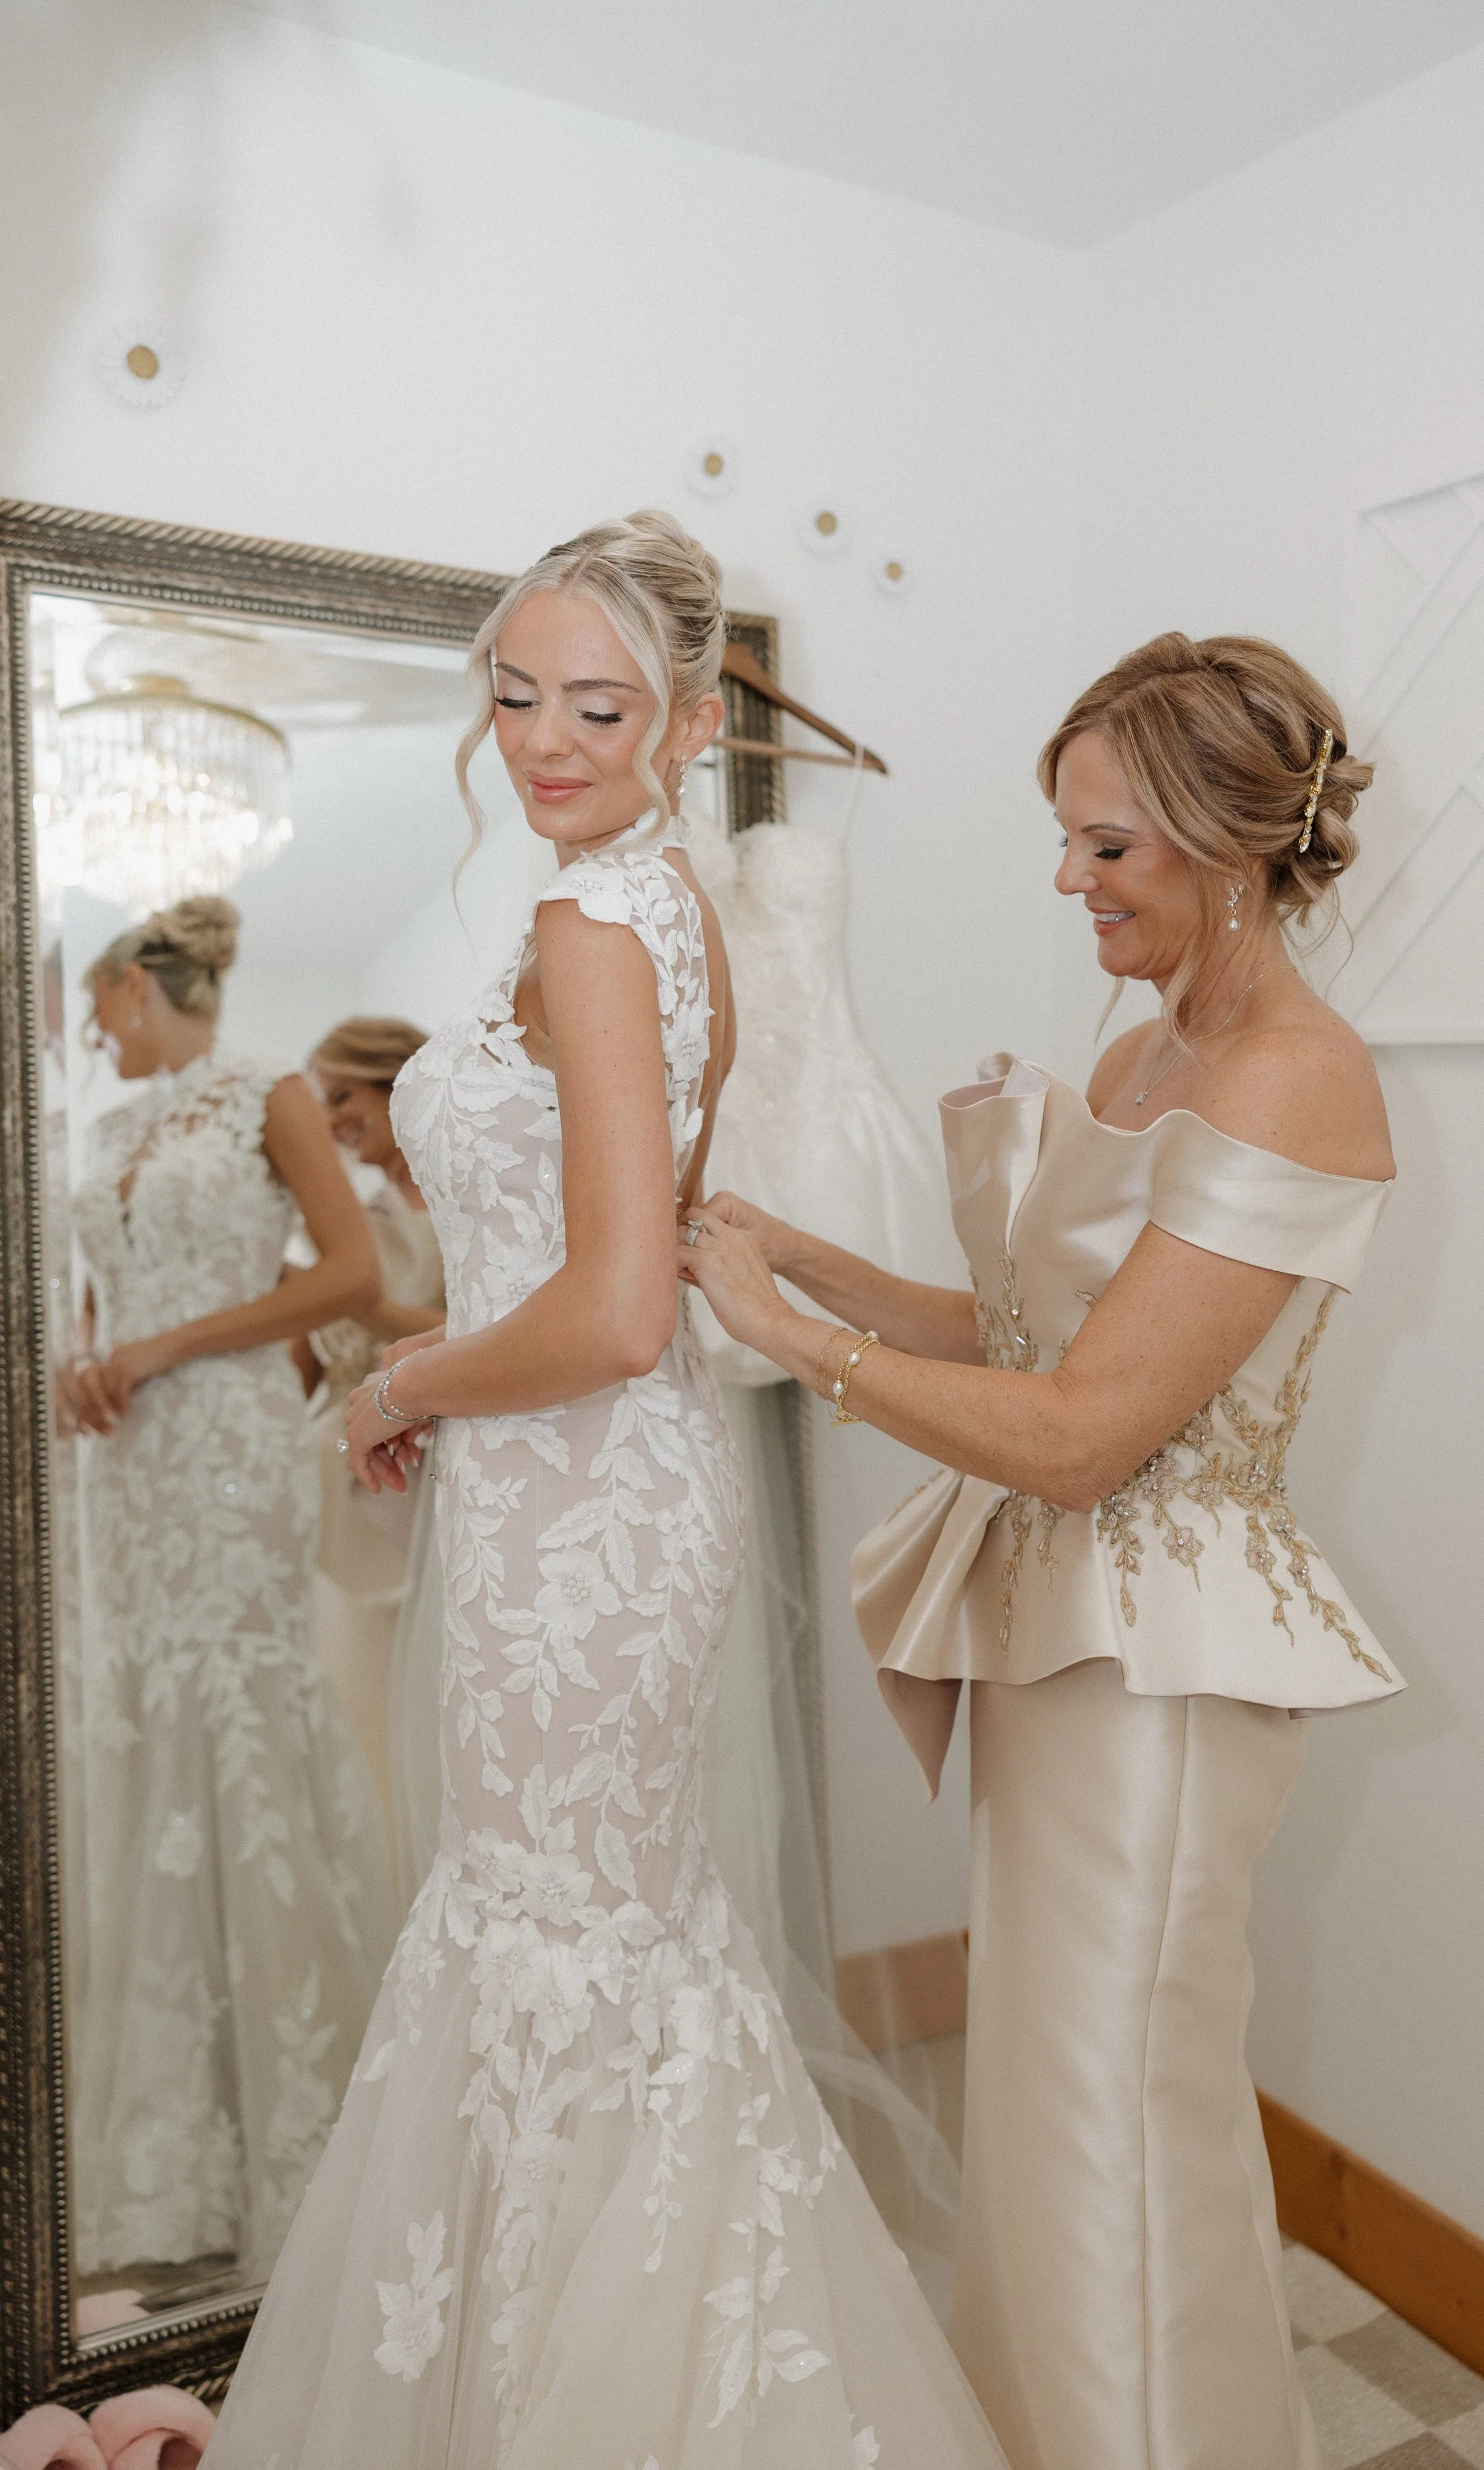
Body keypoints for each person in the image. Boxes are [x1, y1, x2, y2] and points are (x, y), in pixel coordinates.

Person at [206, 515, 1008, 2470]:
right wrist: (454, 1381)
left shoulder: (593, 925)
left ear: (679, 718)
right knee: (596, 1943)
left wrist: (394, 1377)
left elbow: (617, 1303)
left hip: (578, 1508)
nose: (546, 738)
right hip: (587, 1500)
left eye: (598, 703)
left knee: (558, 1941)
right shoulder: (664, 910)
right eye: (513, 693)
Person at [678, 632, 1406, 2470]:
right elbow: (1042, 1342)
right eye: (1066, 841)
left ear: (1225, 845)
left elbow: (1086, 1439)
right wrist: (818, 1261)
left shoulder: (1299, 1078)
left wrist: (797, 1343)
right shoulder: (1148, 1041)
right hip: (1059, 1655)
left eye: (1104, 847)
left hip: (1166, 1681)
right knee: (1050, 2112)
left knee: (1118, 2127)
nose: (1067, 880)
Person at [63, 897, 396, 2283]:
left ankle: (304, 2126)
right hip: (132, 1467)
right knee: (148, 1731)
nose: (86, 1034)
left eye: (94, 1005)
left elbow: (355, 1272)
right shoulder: (101, 1135)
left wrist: (167, 1347)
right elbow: (105, 1288)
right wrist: (93, 1356)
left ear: (140, 985)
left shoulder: (265, 1093)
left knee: (242, 1715)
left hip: (230, 1446)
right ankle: (173, 2147)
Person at [299, 1016, 446, 1905]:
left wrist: (363, 1303)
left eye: (342, 1096)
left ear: (396, 1082)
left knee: (421, 1703)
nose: (330, 1121)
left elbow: (474, 1331)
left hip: (422, 1475)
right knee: (357, 1710)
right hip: (340, 1491)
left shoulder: (461, 1194)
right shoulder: (351, 1219)